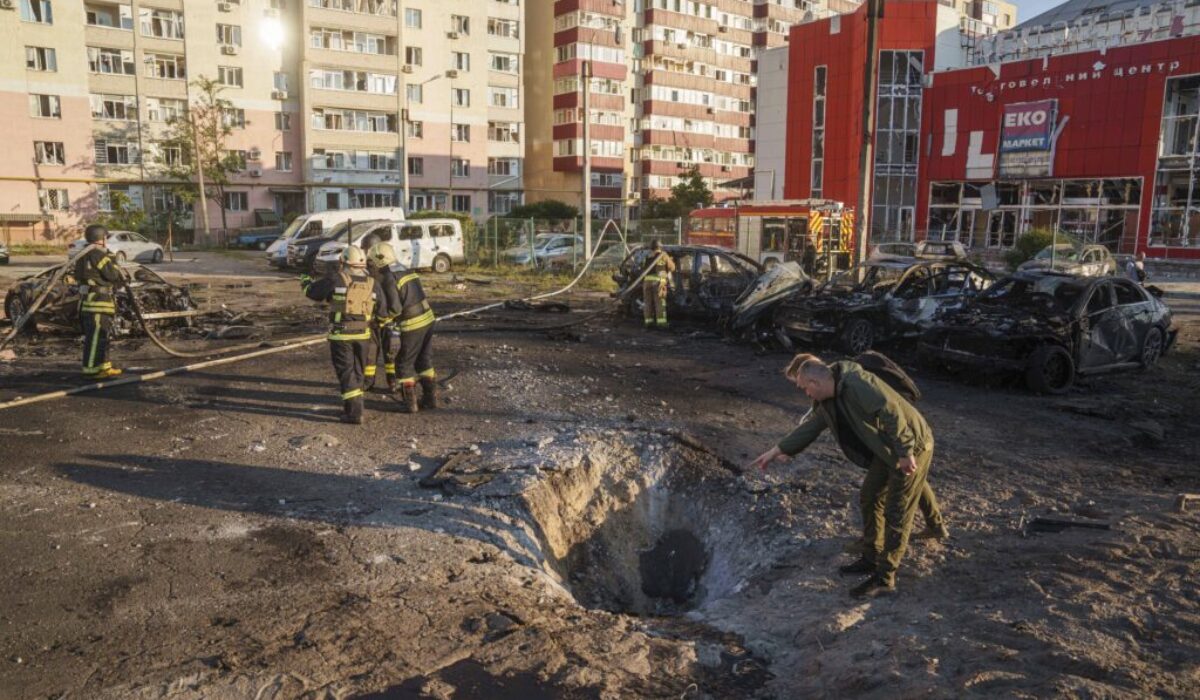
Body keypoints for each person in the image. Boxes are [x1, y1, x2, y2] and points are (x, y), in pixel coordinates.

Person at [750, 353, 939, 598]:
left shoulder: (856, 383)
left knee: (897, 511)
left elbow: (891, 412)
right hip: (887, 448)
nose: (806, 394)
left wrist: (905, 452)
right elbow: (814, 424)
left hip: (912, 447)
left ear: (815, 384)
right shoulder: (831, 395)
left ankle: (884, 578)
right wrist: (778, 450)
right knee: (869, 497)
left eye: (805, 389)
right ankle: (871, 557)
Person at [302, 246, 385, 424]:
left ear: (343, 262)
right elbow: (383, 310)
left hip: (341, 336)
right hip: (363, 335)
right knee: (358, 371)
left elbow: (312, 293)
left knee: (346, 373)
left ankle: (354, 413)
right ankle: (353, 408)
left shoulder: (336, 279)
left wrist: (305, 279)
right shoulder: (373, 283)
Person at [75, 224, 125, 380]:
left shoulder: (83, 255)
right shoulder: (98, 254)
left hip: (90, 301)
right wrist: (113, 260)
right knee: (96, 337)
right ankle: (91, 369)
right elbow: (113, 275)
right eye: (105, 238)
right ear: (101, 238)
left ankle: (104, 366)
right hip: (98, 303)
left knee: (102, 336)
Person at [391, 263, 437, 414]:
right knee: (424, 360)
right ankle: (430, 399)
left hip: (412, 322)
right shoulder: (406, 269)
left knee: (403, 363)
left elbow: (394, 308)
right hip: (428, 318)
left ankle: (409, 404)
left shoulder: (389, 277)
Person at [364, 241, 402, 392]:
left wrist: (382, 320)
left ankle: (390, 380)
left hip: (384, 320)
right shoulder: (382, 273)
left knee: (390, 350)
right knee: (374, 351)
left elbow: (395, 306)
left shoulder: (386, 277)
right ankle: (372, 380)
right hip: (376, 319)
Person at [642, 240, 676, 329]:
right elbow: (672, 267)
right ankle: (661, 323)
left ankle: (648, 322)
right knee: (660, 303)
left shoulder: (647, 255)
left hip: (647, 282)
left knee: (647, 303)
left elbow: (643, 268)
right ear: (660, 247)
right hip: (659, 282)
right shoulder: (663, 255)